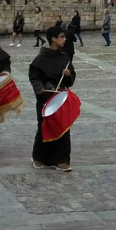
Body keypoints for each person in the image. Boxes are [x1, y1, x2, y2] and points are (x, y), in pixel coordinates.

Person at [29, 27, 76, 171]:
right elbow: (34, 77)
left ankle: (61, 159)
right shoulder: (41, 58)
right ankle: (39, 158)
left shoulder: (64, 57)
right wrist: (39, 88)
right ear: (54, 39)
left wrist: (68, 74)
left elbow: (71, 76)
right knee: (45, 127)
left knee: (63, 127)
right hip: (46, 97)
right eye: (61, 37)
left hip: (60, 97)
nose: (64, 39)